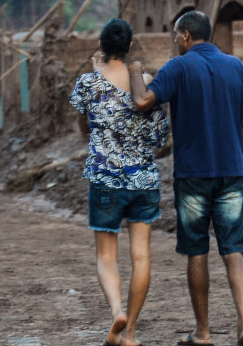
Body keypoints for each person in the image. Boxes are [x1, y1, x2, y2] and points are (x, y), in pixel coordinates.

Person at [128, 10, 243, 346]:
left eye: (176, 34)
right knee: (234, 251)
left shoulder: (178, 67)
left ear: (186, 35)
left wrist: (134, 71)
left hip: (193, 175)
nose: (176, 40)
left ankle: (203, 333)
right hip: (232, 171)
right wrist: (224, 117)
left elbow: (143, 101)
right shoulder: (236, 66)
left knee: (197, 252)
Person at [70, 18, 170, 346]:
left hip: (105, 178)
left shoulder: (87, 83)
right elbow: (159, 137)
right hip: (143, 180)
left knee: (106, 256)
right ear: (130, 47)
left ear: (101, 46)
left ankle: (116, 313)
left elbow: (84, 128)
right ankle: (131, 334)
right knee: (141, 256)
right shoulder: (146, 83)